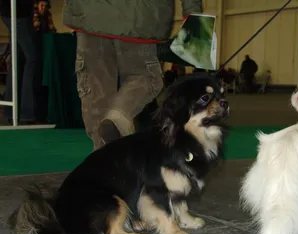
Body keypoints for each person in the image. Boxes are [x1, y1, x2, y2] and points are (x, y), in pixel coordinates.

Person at [62, 1, 203, 150]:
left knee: (96, 91)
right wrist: (193, 17)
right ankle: (119, 117)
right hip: (140, 18)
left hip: (89, 14)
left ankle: (101, 159)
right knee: (145, 77)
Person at [0, 0, 43, 124]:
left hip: (15, 13)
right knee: (32, 59)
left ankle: (13, 112)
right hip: (18, 14)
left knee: (18, 60)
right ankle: (27, 112)